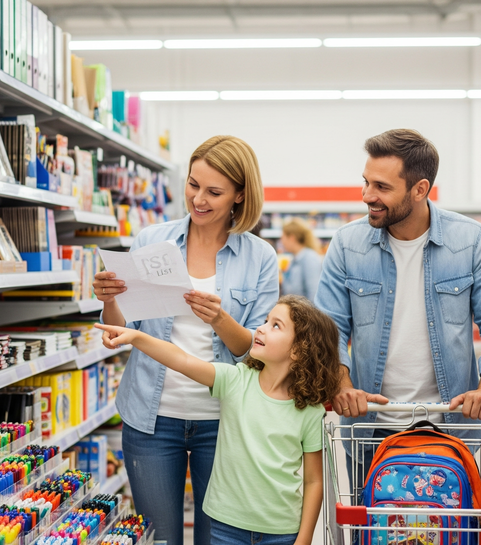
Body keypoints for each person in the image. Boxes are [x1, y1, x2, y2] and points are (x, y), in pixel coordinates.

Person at [92, 135, 279, 545]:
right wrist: (109, 301)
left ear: (240, 195)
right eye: (193, 184)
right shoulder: (151, 241)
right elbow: (121, 332)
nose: (198, 199)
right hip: (151, 420)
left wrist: (220, 319)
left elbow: (258, 352)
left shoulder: (259, 257)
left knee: (219, 539)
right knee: (160, 539)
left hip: (225, 421)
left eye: (214, 192)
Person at [315, 129, 481, 474]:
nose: (367, 196)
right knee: (372, 529)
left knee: (452, 529)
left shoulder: (469, 241)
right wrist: (342, 384)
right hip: (370, 429)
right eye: (365, 183)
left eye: (381, 187)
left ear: (419, 189)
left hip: (450, 427)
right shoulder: (347, 245)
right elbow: (327, 327)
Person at [93, 295, 340, 545]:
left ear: (299, 350)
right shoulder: (235, 381)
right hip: (225, 528)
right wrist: (136, 337)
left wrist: (305, 537)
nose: (261, 328)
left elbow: (314, 480)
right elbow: (182, 360)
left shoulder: (309, 410)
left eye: (276, 325)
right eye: (265, 321)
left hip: (281, 531)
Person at [279, 220, 323, 301]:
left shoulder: (310, 258)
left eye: (283, 237)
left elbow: (314, 293)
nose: (282, 242)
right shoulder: (294, 259)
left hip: (305, 313)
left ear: (292, 237)